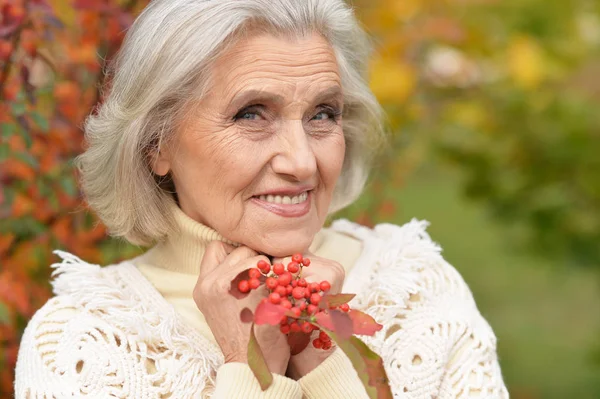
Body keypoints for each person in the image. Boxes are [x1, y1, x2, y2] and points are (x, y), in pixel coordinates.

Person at [14, 0, 509, 397]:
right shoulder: (86, 337)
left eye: (323, 114)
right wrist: (249, 374)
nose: (302, 162)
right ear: (156, 143)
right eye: (252, 114)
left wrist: (319, 354)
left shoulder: (416, 289)